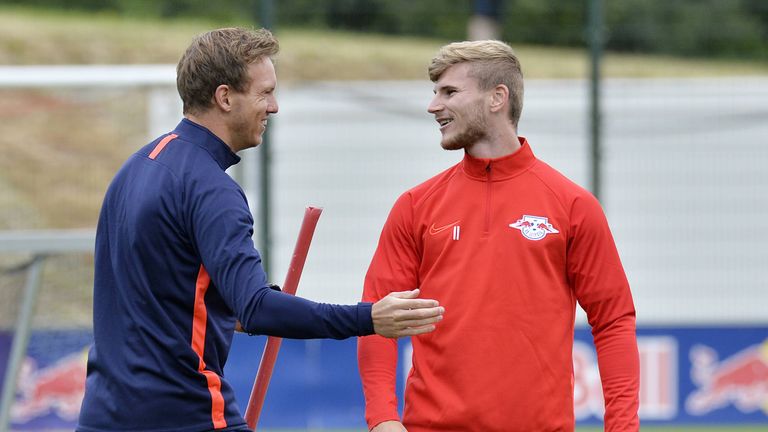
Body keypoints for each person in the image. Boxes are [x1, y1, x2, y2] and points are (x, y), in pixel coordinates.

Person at [76, 27, 444, 432]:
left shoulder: (137, 166)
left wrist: (227, 305)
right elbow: (255, 309)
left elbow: (166, 292)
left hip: (103, 416)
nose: (274, 106)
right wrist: (369, 317)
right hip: (184, 414)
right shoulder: (212, 189)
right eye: (264, 92)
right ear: (225, 97)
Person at [357, 40, 639, 432]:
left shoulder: (572, 205)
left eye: (449, 92)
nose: (433, 105)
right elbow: (376, 316)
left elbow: (613, 321)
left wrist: (623, 427)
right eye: (434, 92)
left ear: (497, 98)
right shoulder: (414, 206)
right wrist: (383, 418)